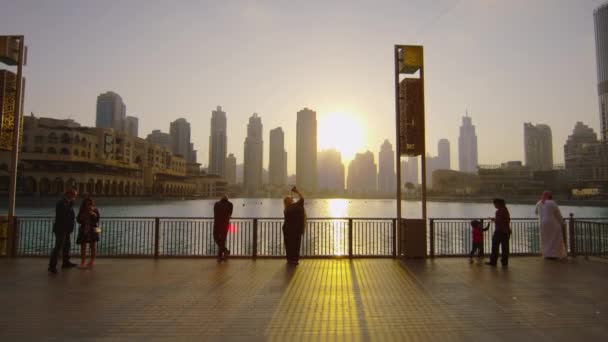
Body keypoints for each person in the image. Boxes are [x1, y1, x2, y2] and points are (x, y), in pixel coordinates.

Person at [48, 189, 78, 274]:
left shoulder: (68, 203)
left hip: (66, 229)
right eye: (74, 195)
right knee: (58, 247)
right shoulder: (62, 203)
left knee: (66, 246)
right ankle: (52, 266)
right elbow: (63, 215)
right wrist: (70, 206)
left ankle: (66, 262)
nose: (75, 197)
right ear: (69, 194)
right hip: (61, 229)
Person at [535, 191, 567, 259]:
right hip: (553, 223)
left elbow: (536, 212)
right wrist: (562, 223)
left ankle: (547, 254)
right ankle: (555, 255)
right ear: (550, 197)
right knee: (556, 239)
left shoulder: (539, 202)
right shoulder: (552, 202)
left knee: (545, 239)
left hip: (542, 224)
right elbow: (558, 214)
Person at [282, 186, 305, 265]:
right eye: (291, 199)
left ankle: (290, 259)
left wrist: (292, 195)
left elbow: (297, 203)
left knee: (289, 244)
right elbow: (302, 199)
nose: (292, 199)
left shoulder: (286, 209)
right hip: (295, 230)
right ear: (289, 201)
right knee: (295, 244)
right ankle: (294, 260)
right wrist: (297, 191)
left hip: (287, 229)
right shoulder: (294, 207)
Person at [486, 198, 511, 267]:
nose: (494, 205)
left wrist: (494, 220)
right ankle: (504, 262)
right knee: (505, 248)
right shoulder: (505, 210)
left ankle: (493, 261)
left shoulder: (498, 211)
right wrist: (495, 220)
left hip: (499, 231)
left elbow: (499, 221)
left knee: (495, 247)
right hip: (506, 231)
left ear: (498, 204)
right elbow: (507, 220)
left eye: (495, 204)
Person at [76, 197, 100, 268]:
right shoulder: (82, 210)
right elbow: (78, 220)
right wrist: (82, 216)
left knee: (93, 246)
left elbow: (98, 219)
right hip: (84, 229)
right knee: (83, 246)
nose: (88, 204)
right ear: (84, 203)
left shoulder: (95, 209)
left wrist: (93, 214)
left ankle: (91, 261)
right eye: (87, 202)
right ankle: (82, 262)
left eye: (90, 203)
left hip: (94, 228)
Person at [213, 195, 233, 261]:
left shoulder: (230, 204)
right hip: (219, 224)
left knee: (221, 240)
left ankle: (220, 256)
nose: (224, 197)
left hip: (222, 224)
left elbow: (230, 214)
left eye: (225, 196)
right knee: (217, 238)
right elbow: (229, 214)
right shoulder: (217, 204)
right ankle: (225, 251)